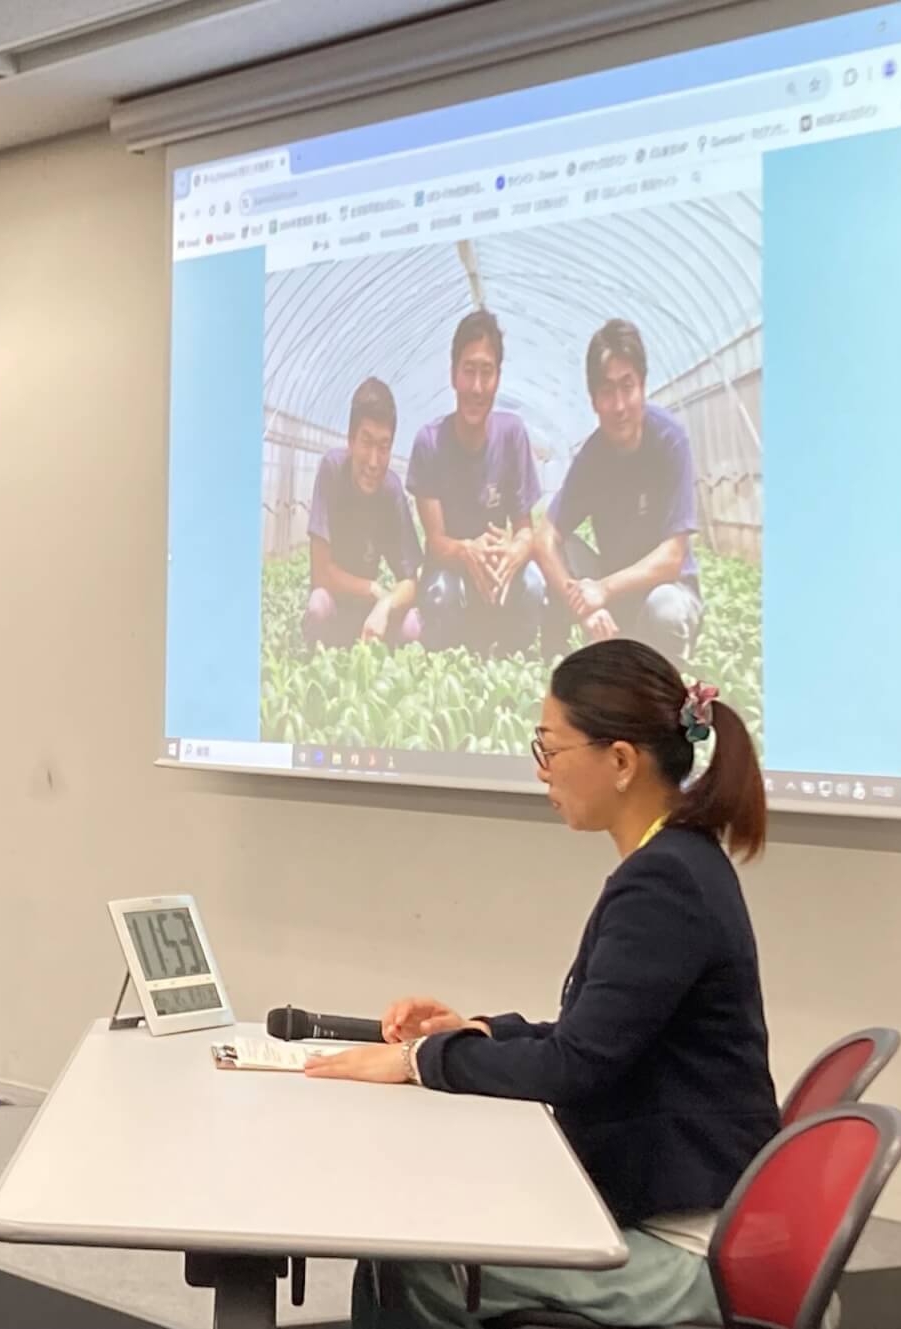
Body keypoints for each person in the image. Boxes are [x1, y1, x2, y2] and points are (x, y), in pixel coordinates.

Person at [305, 638, 777, 1328]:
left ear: (619, 760)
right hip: (675, 1216)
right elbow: (595, 1034)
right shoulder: (677, 860)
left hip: (679, 1257)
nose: (542, 772)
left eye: (550, 750)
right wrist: (477, 1032)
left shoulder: (664, 881)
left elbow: (576, 1065)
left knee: (406, 1267)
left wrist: (415, 1060)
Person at [538, 319, 704, 666]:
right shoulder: (593, 456)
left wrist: (603, 589)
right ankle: (555, 660)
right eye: (607, 391)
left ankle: (664, 682)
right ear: (594, 400)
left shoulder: (669, 441)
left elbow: (673, 557)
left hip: (668, 590)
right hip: (615, 597)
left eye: (627, 386)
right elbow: (545, 538)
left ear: (643, 387)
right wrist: (580, 604)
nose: (618, 405)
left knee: (666, 610)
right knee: (558, 549)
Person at [407, 310, 547, 654]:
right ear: (454, 375)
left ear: (499, 377)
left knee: (533, 585)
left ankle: (511, 661)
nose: (477, 387)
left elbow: (526, 528)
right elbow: (436, 541)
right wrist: (468, 550)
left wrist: (514, 550)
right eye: (469, 371)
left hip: (495, 570)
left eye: (487, 372)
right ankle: (452, 657)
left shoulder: (513, 434)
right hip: (450, 573)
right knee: (441, 596)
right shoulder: (430, 442)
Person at [301, 377, 423, 648]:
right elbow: (321, 573)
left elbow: (411, 582)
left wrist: (386, 604)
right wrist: (373, 589)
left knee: (414, 624)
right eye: (366, 442)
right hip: (335, 607)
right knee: (318, 606)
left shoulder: (391, 490)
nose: (373, 461)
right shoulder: (332, 471)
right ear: (350, 440)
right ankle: (322, 661)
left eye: (384, 447)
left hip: (369, 615)